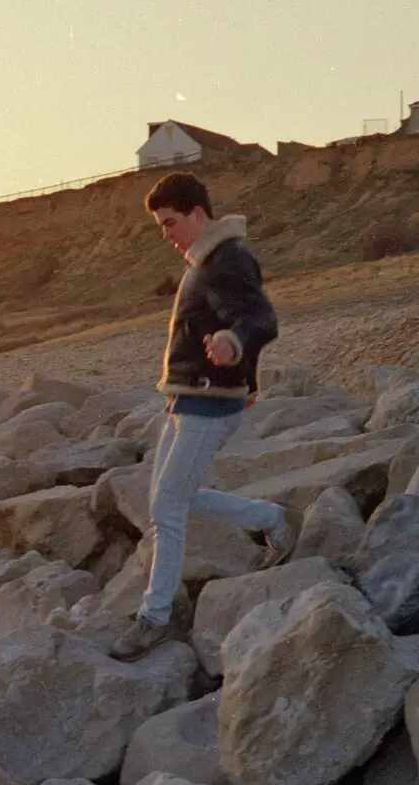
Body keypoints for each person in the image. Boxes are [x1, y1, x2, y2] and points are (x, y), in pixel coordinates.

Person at [114, 172, 293, 659]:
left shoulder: (226, 260)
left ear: (197, 212)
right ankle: (274, 519)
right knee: (169, 501)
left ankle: (154, 618)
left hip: (208, 404)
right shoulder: (208, 259)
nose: (165, 234)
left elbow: (258, 319)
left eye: (170, 222)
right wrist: (247, 375)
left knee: (167, 507)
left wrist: (234, 345)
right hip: (188, 399)